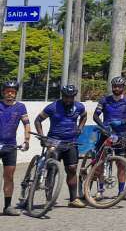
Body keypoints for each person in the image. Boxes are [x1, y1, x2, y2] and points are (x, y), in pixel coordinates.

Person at [34, 84, 87, 207]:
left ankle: (73, 199)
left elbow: (84, 116)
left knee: (72, 169)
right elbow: (38, 120)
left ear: (74, 96)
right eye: (66, 97)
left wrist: (80, 128)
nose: (68, 99)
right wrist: (42, 137)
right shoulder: (52, 107)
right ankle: (49, 200)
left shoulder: (79, 106)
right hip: (54, 142)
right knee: (52, 169)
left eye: (71, 97)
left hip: (71, 142)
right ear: (62, 96)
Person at [92, 76, 126, 199]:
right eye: (114, 86)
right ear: (112, 87)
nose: (116, 88)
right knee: (100, 162)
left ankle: (121, 191)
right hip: (105, 134)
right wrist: (103, 126)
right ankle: (100, 190)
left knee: (121, 164)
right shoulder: (104, 100)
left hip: (121, 135)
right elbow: (95, 116)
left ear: (123, 88)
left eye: (119, 86)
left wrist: (123, 122)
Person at [0, 80, 29, 215]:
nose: (10, 94)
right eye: (7, 91)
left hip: (10, 146)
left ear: (16, 93)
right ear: (3, 92)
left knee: (9, 176)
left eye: (12, 92)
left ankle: (7, 207)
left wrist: (26, 140)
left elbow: (26, 124)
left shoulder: (20, 107)